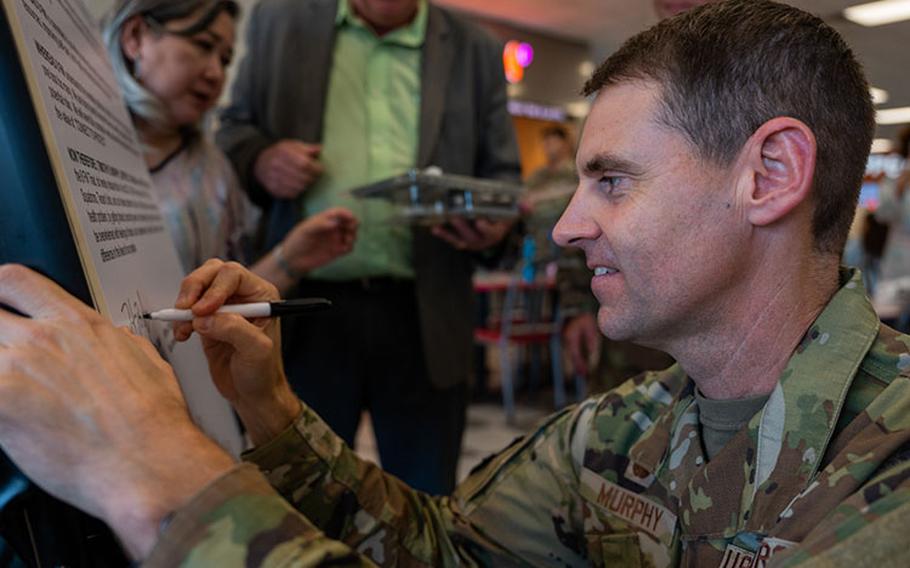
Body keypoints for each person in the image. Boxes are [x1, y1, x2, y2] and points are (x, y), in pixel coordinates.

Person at [1, 1, 908, 566]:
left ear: (771, 175)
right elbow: (442, 548)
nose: (565, 225)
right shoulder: (627, 426)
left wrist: (153, 481)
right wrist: (274, 411)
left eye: (614, 180)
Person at [215, 0, 521, 493]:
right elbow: (232, 131)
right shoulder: (280, 20)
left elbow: (503, 174)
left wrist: (492, 225)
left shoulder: (475, 48)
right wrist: (262, 159)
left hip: (426, 314)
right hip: (302, 309)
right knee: (302, 497)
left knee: (424, 499)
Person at [103, 0, 359, 291]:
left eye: (225, 60)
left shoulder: (215, 174)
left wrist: (289, 258)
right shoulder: (75, 144)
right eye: (202, 45)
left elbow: (224, 304)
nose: (215, 74)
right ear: (135, 37)